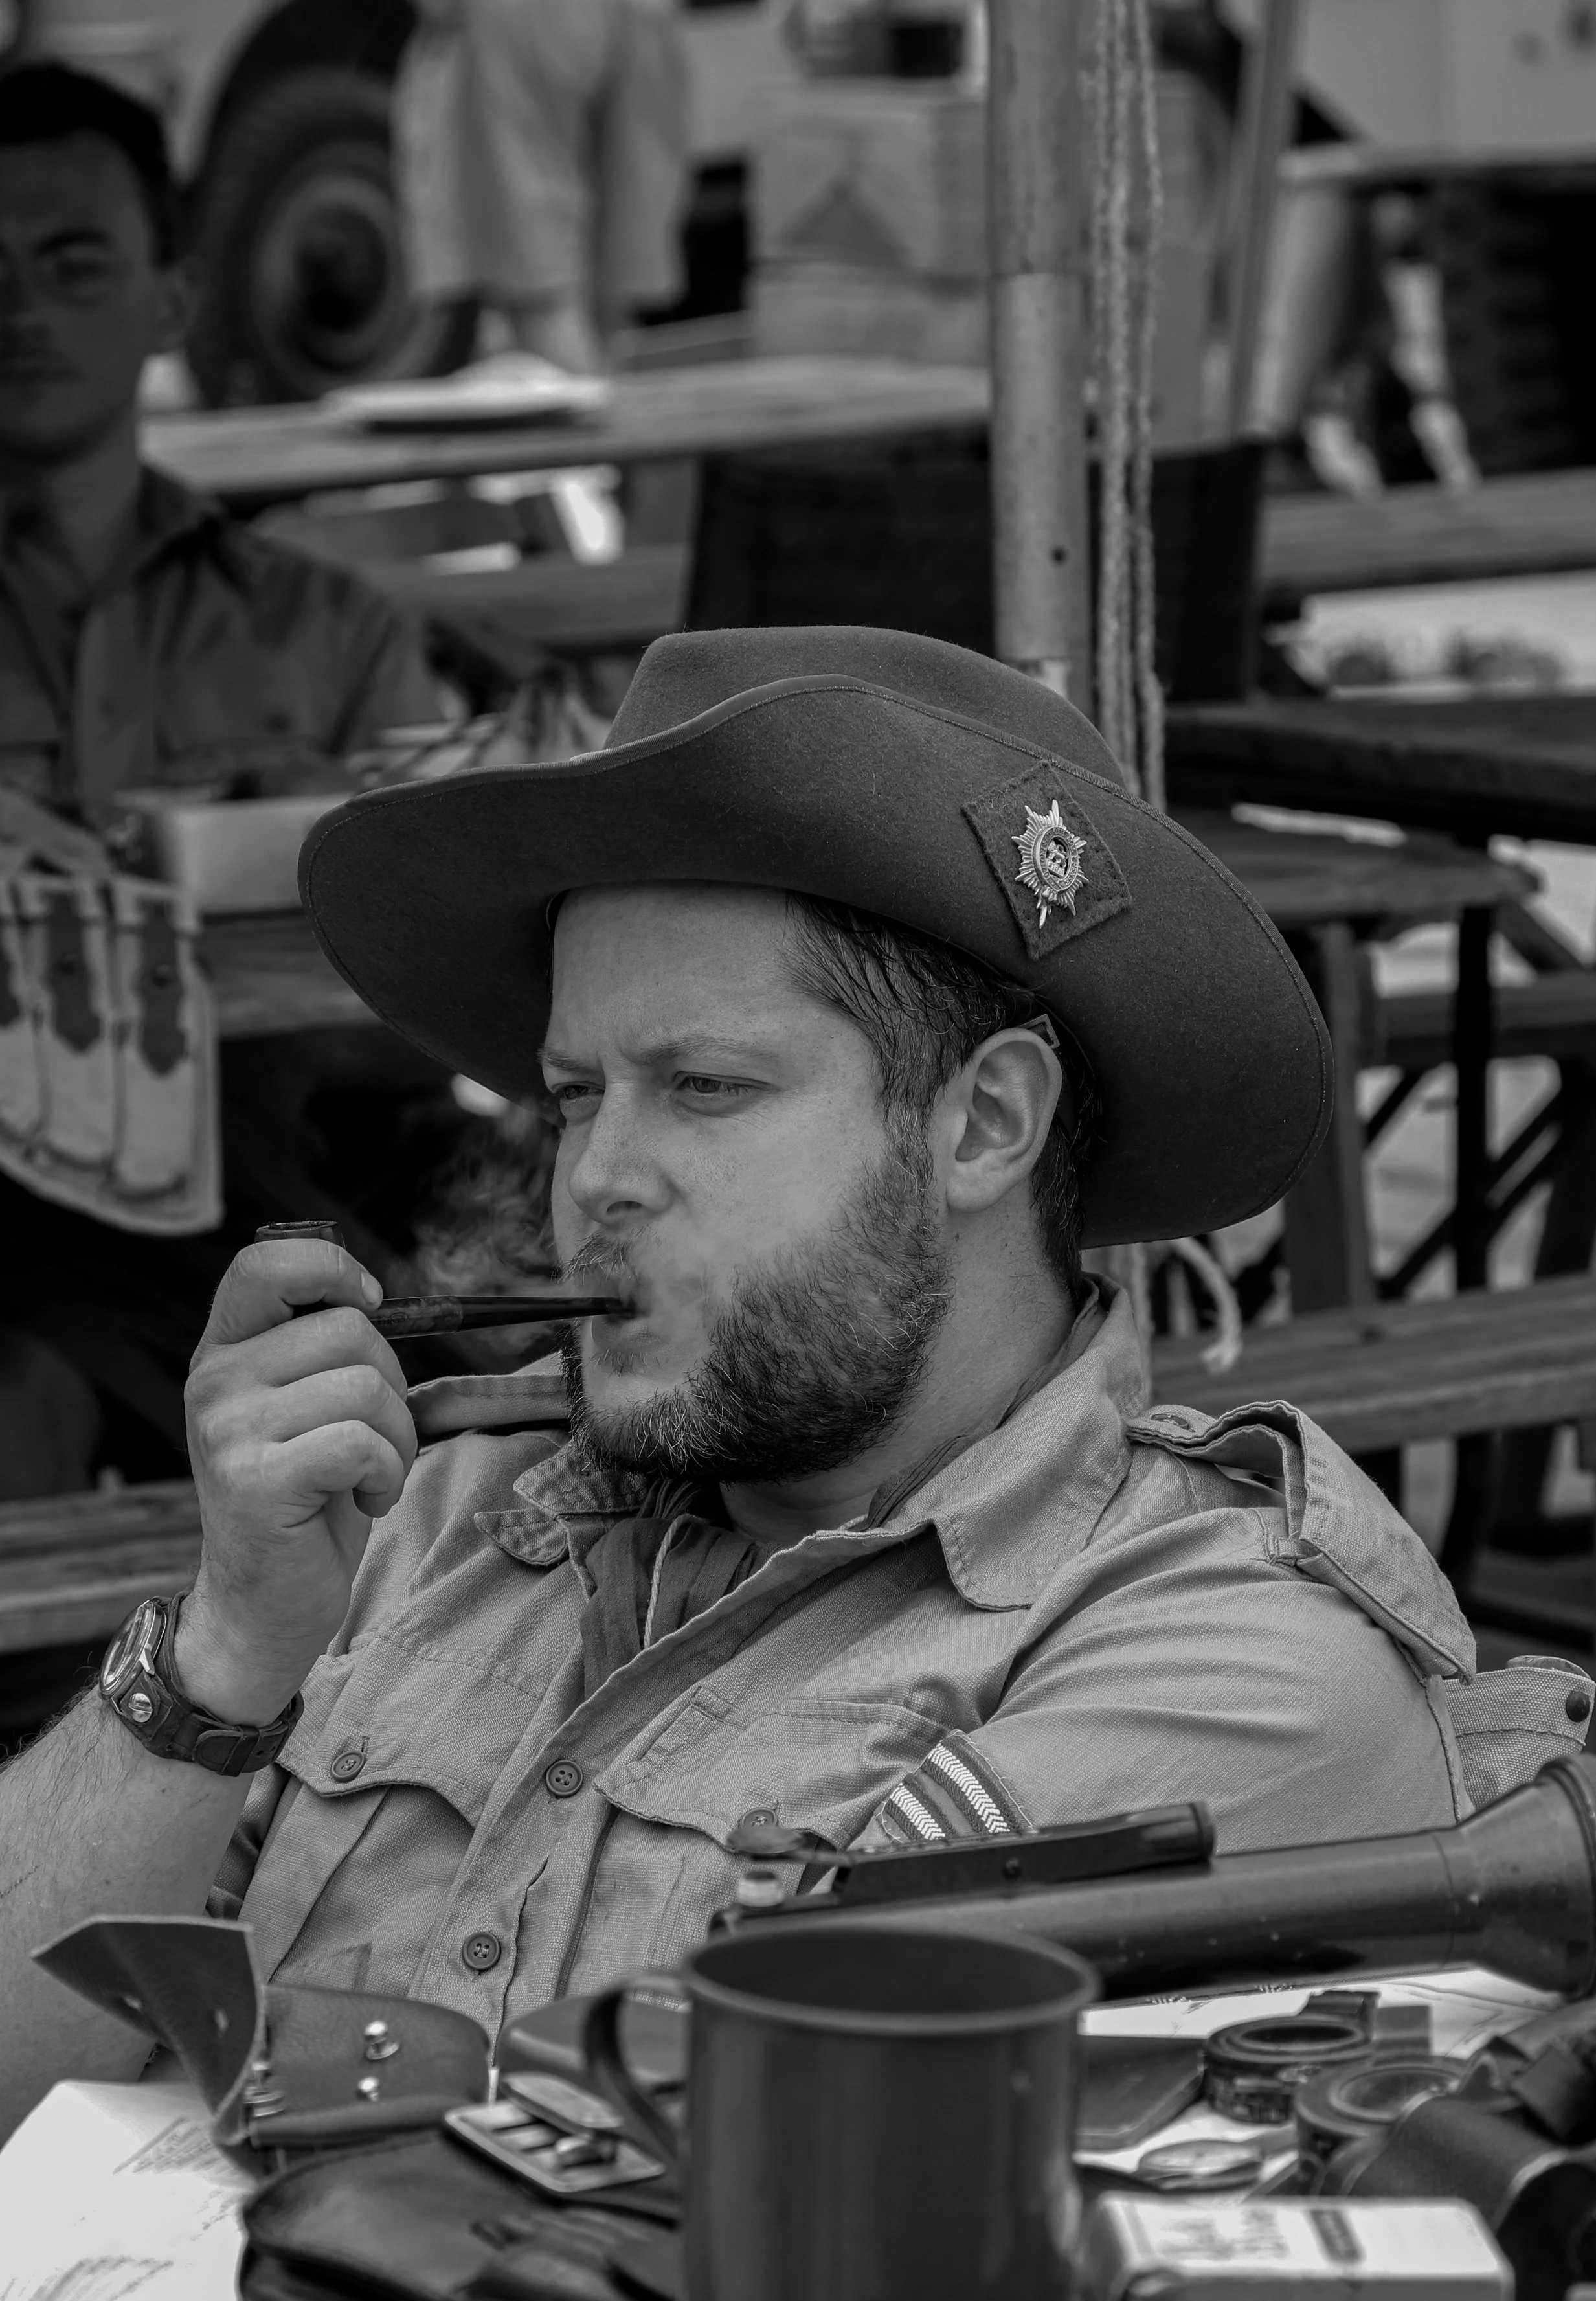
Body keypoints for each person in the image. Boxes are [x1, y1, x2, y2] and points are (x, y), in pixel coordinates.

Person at [0, 626, 1502, 2135]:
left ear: (985, 1121)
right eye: (573, 1096)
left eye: (704, 1087)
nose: (597, 1176)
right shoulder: (426, 1524)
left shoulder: (1229, 1662)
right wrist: (224, 1648)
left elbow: (765, 2171)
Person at [0, 62, 449, 1503]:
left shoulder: (333, 630)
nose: (22, 306)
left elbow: (430, 1004)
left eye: (74, 261)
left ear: (175, 299)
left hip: (285, 1205)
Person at [395, 0, 690, 376]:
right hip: (643, 14)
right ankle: (606, 395)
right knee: (609, 283)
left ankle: (589, 410)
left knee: (537, 294)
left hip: (517, 18)